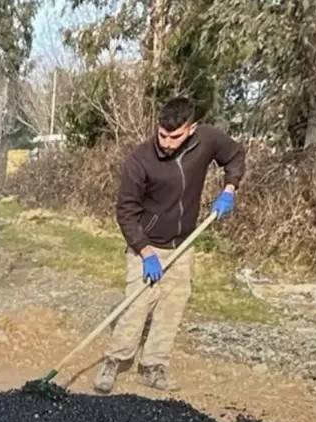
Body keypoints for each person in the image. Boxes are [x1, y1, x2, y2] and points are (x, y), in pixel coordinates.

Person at [94, 96, 245, 393]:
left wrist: (230, 188)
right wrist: (146, 251)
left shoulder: (208, 139)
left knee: (172, 305)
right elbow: (125, 212)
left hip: (183, 242)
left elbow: (235, 156)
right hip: (146, 245)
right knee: (137, 304)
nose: (165, 142)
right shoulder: (140, 160)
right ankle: (114, 360)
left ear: (191, 129)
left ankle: (152, 366)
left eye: (174, 136)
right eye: (162, 134)